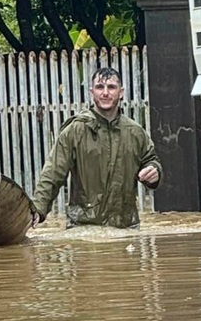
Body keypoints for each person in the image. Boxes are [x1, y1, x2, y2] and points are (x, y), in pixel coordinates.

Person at [31, 67, 161, 228]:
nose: (105, 93)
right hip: (83, 228)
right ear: (92, 92)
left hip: (126, 228)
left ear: (121, 92)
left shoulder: (135, 132)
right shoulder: (75, 130)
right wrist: (37, 209)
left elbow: (151, 161)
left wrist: (154, 171)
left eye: (111, 87)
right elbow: (52, 174)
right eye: (100, 87)